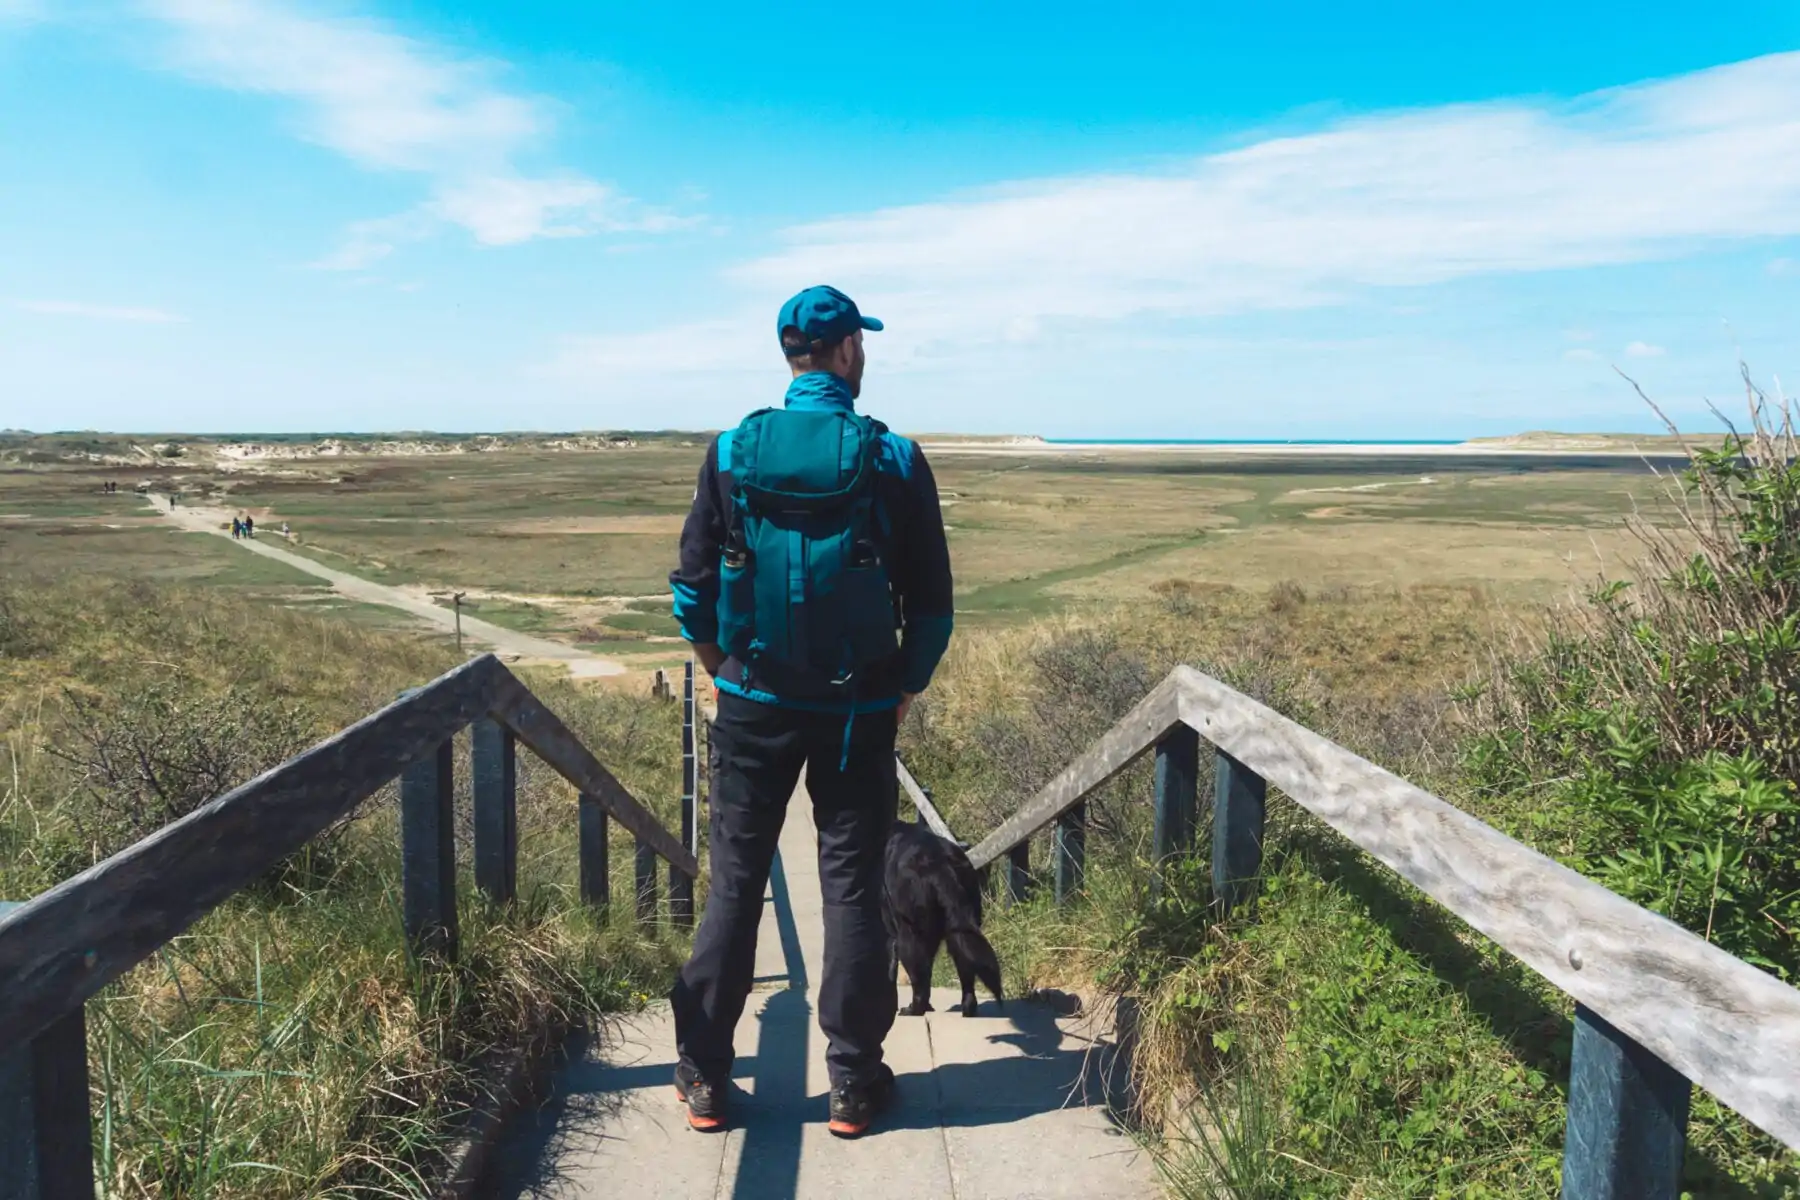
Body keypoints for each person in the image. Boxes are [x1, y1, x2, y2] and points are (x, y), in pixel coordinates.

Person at [668, 285, 955, 1138]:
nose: (861, 355)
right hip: (855, 708)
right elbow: (933, 602)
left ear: (790, 353)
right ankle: (854, 1083)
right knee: (850, 888)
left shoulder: (731, 452)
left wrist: (719, 665)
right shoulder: (895, 458)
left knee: (734, 884)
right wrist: (905, 681)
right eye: (857, 344)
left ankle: (707, 1078)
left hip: (753, 703)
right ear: (842, 352)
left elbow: (692, 583)